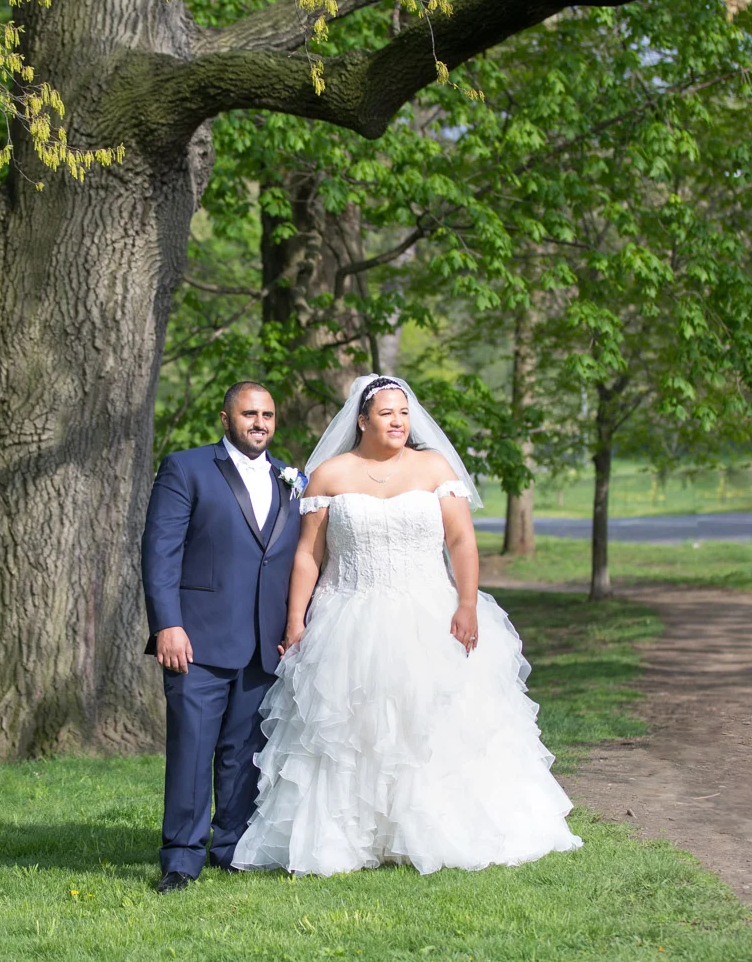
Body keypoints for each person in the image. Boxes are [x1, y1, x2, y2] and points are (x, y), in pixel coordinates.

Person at [232, 375, 583, 876]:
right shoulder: (329, 475)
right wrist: (295, 620)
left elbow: (461, 541)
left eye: (403, 413)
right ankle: (353, 837)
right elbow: (309, 554)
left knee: (428, 724)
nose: (397, 421)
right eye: (385, 413)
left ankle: (433, 829)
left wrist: (466, 603)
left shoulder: (434, 467)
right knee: (352, 731)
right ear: (362, 420)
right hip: (348, 616)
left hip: (429, 613)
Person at [141, 381, 304, 893]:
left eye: (268, 415)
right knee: (191, 750)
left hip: (264, 642)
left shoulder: (290, 478)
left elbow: (296, 560)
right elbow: (160, 551)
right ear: (225, 418)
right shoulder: (186, 468)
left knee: (244, 753)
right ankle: (181, 859)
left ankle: (232, 848)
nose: (260, 423)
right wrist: (167, 624)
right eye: (250, 414)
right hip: (197, 640)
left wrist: (295, 625)